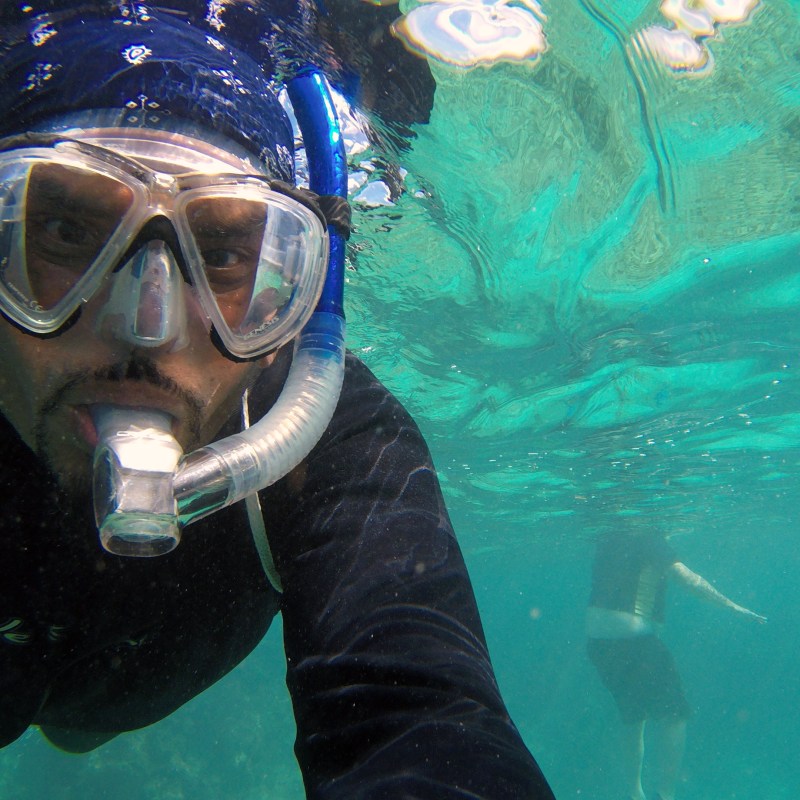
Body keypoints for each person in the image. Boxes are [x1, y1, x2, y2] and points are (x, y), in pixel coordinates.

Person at [0, 3, 555, 798]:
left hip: (118, 699)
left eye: (222, 252)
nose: (146, 330)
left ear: (290, 284)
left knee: (80, 731)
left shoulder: (322, 432)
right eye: (63, 231)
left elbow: (423, 719)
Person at [586, 527, 766, 800]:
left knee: (634, 717)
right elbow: (689, 580)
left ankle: (634, 792)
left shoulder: (611, 535)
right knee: (675, 715)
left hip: (599, 645)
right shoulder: (650, 537)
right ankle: (666, 794)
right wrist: (734, 608)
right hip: (634, 644)